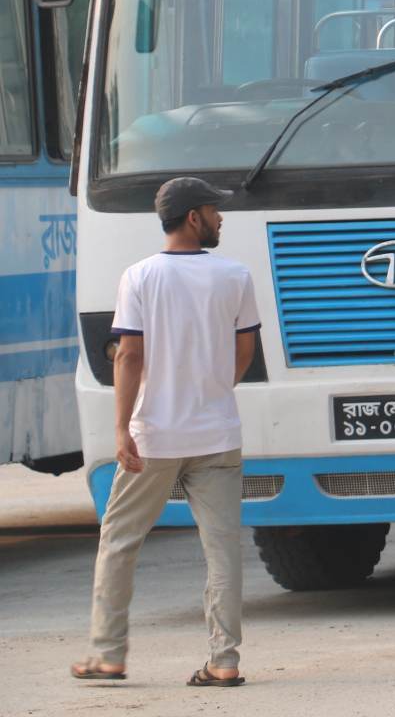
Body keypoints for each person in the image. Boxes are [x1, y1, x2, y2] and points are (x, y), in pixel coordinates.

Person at [70, 178, 261, 688]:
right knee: (221, 550)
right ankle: (225, 660)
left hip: (154, 436)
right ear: (192, 218)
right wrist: (217, 388)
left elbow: (129, 354)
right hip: (218, 435)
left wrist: (121, 428)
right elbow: (245, 351)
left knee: (119, 540)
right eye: (213, 210)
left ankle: (108, 654)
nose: (221, 219)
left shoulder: (139, 277)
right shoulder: (235, 275)